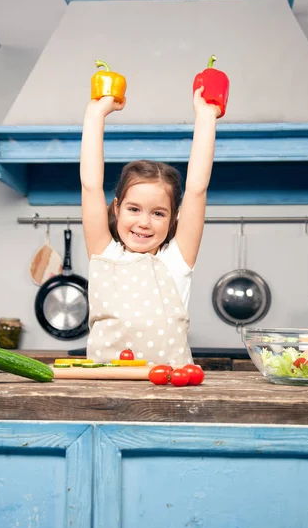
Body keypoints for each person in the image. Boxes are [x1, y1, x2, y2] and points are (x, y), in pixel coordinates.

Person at [80, 86, 220, 366]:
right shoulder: (105, 255)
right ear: (117, 208)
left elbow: (196, 190)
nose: (144, 222)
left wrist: (206, 117)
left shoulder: (176, 260)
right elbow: (91, 185)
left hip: (170, 392)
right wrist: (95, 114)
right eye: (134, 209)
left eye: (158, 213)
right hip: (103, 393)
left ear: (174, 218)